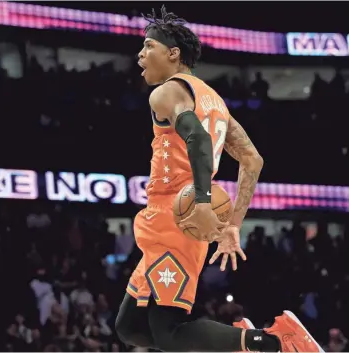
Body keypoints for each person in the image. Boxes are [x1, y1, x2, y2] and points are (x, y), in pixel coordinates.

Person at [115, 6, 323, 353]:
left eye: (148, 46)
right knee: (130, 326)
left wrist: (200, 202)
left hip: (175, 216)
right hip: (179, 218)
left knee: (170, 331)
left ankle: (273, 343)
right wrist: (232, 226)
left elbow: (196, 138)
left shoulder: (166, 92)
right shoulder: (215, 101)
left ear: (173, 53)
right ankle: (241, 340)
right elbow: (253, 160)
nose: (140, 54)